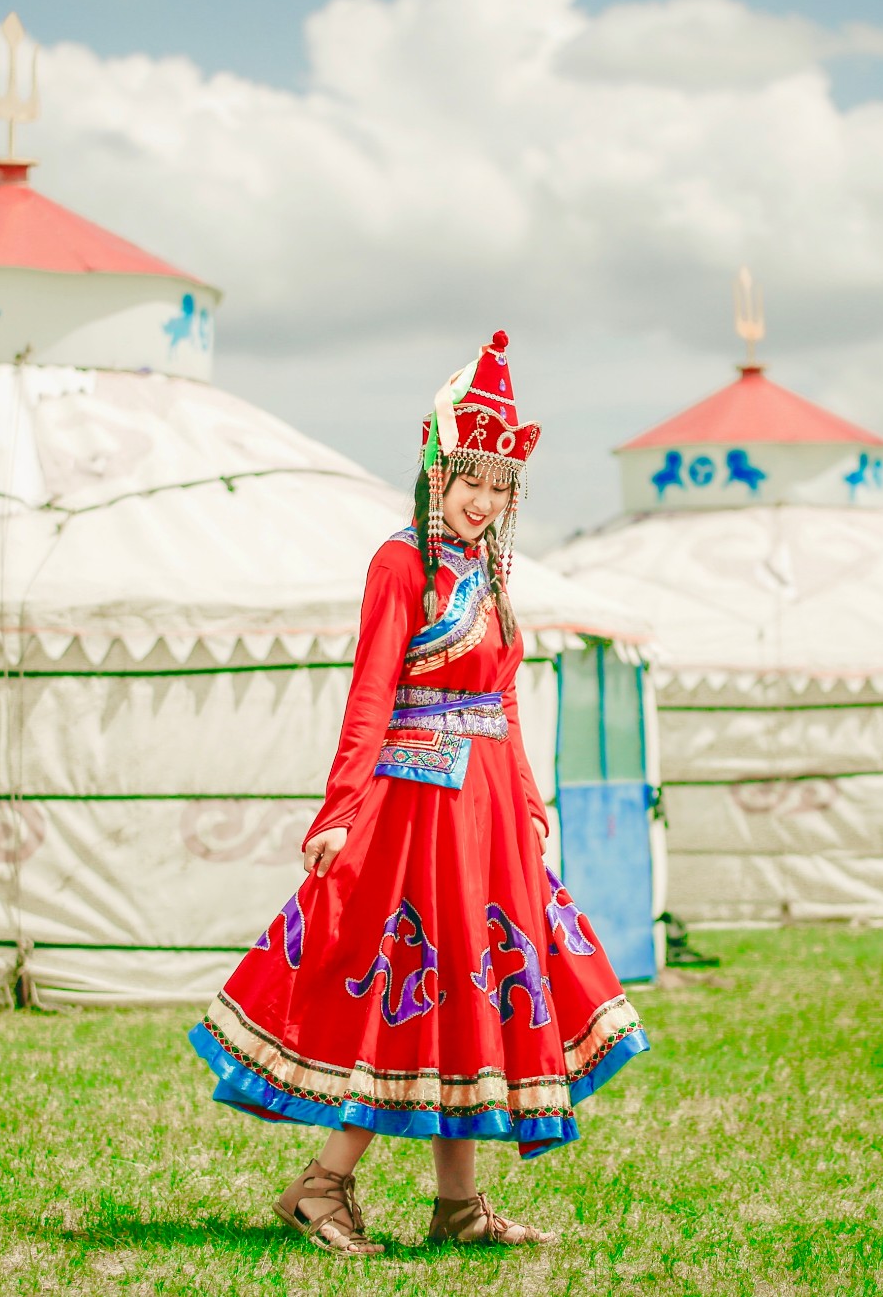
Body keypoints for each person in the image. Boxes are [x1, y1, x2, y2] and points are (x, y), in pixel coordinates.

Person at [187, 330, 649, 1256]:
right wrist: (340, 813)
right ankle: (322, 1185)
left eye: (500, 483)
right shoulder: (400, 564)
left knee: (467, 998)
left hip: (484, 819)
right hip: (414, 814)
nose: (483, 499)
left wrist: (524, 800)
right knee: (407, 991)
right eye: (469, 477)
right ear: (436, 468)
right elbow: (369, 697)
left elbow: (502, 704)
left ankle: (458, 1206)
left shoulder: (490, 573)